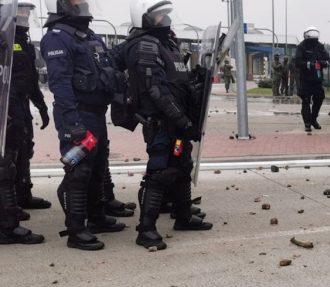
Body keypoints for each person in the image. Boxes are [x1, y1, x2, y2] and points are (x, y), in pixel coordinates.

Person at [117, 0, 212, 251]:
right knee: (159, 174)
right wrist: (182, 120)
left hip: (177, 122)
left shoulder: (166, 44)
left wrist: (196, 82)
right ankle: (146, 229)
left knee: (182, 166)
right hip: (161, 123)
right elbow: (156, 91)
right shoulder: (145, 46)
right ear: (144, 18)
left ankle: (183, 216)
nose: (165, 20)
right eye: (159, 15)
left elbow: (176, 82)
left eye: (165, 14)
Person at [41, 0, 128, 250]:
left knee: (98, 166)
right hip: (76, 113)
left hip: (96, 113)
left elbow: (108, 63)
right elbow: (60, 84)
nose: (84, 4)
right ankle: (76, 230)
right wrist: (73, 123)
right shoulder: (57, 38)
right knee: (79, 172)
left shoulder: (88, 35)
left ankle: (97, 218)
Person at [0, 0, 44, 245]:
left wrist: (41, 105)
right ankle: (6, 222)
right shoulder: (3, 37)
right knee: (5, 162)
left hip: (20, 103)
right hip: (6, 104)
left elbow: (30, 77)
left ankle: (19, 198)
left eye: (28, 11)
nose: (25, 15)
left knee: (23, 149)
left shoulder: (23, 40)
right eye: (21, 11)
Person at [294, 26, 330, 134]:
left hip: (317, 79)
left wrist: (324, 63)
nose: (314, 42)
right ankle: (307, 123)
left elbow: (328, 59)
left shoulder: (320, 46)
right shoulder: (301, 47)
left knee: (319, 98)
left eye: (315, 39)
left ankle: (313, 118)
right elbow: (297, 62)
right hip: (305, 79)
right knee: (306, 101)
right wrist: (309, 64)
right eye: (312, 40)